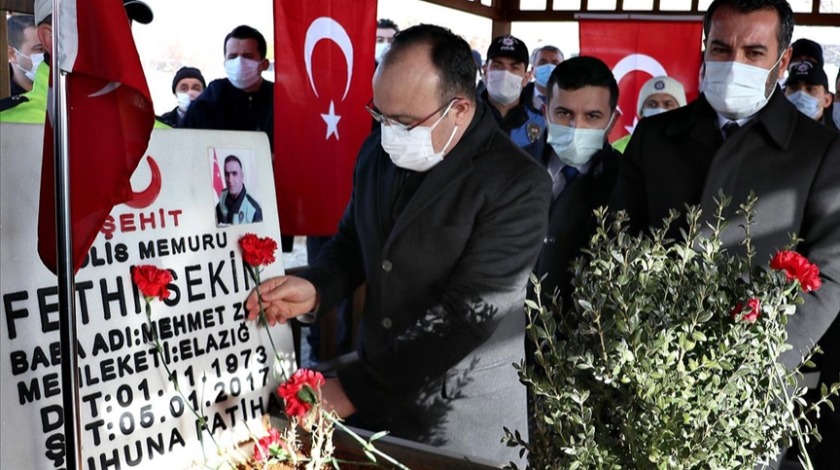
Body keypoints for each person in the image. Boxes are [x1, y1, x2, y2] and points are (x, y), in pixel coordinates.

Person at [245, 24, 550, 463]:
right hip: (377, 405)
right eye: (380, 115)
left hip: (458, 420)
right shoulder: (378, 151)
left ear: (459, 109)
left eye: (404, 122)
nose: (389, 132)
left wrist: (349, 390)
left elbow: (466, 315)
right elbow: (353, 242)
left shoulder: (517, 184)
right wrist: (317, 288)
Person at [610, 2, 840, 464]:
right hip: (648, 379)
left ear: (782, 58)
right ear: (704, 46)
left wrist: (749, 366)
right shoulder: (656, 138)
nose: (734, 63)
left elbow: (832, 275)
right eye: (721, 47)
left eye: (754, 52)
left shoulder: (821, 152)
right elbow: (617, 244)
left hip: (753, 393)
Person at [525, 56, 621, 304]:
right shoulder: (512, 170)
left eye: (592, 116)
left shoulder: (625, 180)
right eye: (564, 113)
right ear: (546, 113)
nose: (576, 126)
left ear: (612, 122)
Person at [0, 0, 155, 120]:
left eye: (123, 30)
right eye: (101, 26)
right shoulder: (7, 124)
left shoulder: (155, 131)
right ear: (50, 39)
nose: (118, 43)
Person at [181, 25, 273, 148]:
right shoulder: (208, 102)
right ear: (225, 62)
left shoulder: (279, 100)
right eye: (233, 56)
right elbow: (184, 144)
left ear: (264, 64)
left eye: (247, 56)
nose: (239, 62)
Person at [480, 35, 545, 147]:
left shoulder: (541, 124)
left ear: (526, 77)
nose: (505, 73)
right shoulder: (464, 119)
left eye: (514, 68)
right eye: (497, 65)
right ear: (485, 72)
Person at [613, 75, 687, 153]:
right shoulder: (618, 150)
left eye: (668, 104)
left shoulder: (692, 149)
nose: (660, 110)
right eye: (652, 104)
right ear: (641, 113)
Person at [784, 60, 835, 129]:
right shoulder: (769, 128)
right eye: (794, 88)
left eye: (810, 89)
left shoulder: (834, 137)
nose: (801, 94)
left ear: (826, 100)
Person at [215, 155, 263, 225]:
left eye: (234, 174)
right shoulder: (223, 197)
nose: (230, 180)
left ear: (242, 176)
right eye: (227, 174)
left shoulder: (254, 211)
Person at [6, 15, 44, 96]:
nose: (49, 55)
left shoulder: (63, 87)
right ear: (12, 54)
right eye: (40, 49)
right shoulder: (5, 98)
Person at [525, 45, 564, 111]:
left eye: (555, 63)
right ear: (533, 70)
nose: (549, 67)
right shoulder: (519, 97)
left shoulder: (574, 97)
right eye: (543, 63)